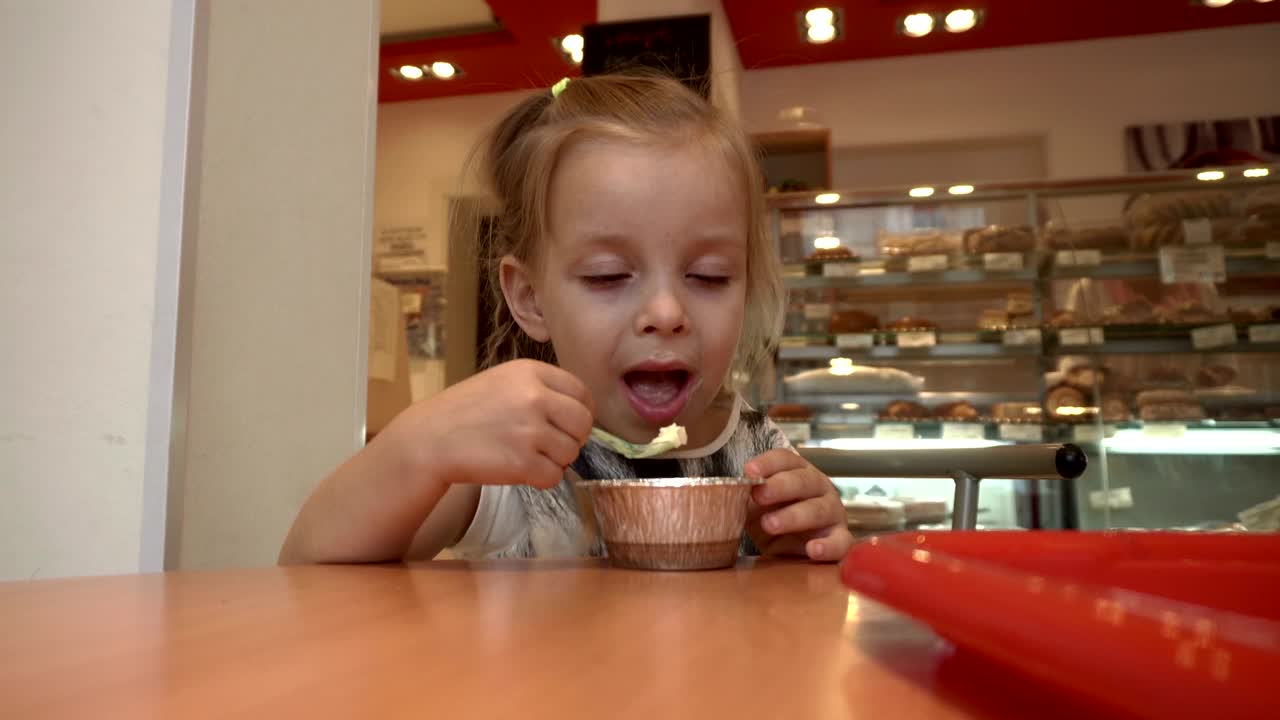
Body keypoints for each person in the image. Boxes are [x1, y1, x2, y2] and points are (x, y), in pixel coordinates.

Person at [279, 73, 853, 565]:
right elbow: (307, 565)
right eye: (608, 275)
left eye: (708, 276)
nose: (666, 313)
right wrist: (419, 446)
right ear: (531, 298)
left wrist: (805, 540)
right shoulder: (506, 460)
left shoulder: (759, 452)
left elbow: (806, 590)